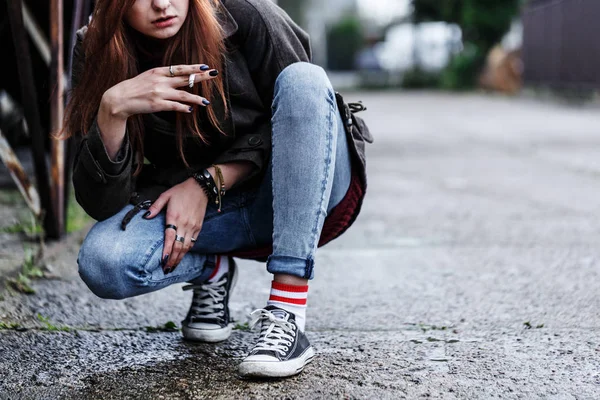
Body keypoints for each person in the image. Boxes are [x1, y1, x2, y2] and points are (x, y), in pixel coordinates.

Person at [62, 0, 371, 379]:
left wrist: (207, 182)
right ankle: (211, 270)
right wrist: (112, 111)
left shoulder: (246, 15)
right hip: (201, 219)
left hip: (293, 197)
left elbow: (307, 114)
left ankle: (287, 314)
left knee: (304, 78)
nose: (162, 4)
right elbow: (100, 203)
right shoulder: (95, 47)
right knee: (103, 261)